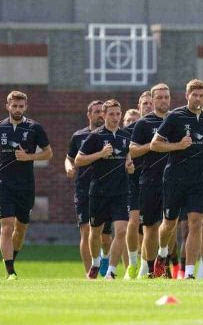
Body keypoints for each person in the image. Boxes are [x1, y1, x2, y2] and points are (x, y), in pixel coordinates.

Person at [0, 91, 53, 280]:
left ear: (25, 107)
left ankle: (11, 258)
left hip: (26, 185)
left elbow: (48, 153)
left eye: (21, 106)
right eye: (14, 106)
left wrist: (29, 157)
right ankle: (10, 271)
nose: (17, 109)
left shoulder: (35, 128)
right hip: (4, 183)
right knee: (7, 226)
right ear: (8, 106)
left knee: (20, 229)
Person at [150, 79, 203, 279]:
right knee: (170, 223)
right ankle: (162, 255)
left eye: (201, 95)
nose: (198, 98)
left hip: (199, 180)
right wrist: (177, 146)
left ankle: (189, 273)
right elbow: (155, 145)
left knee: (196, 223)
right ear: (187, 96)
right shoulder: (175, 117)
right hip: (175, 179)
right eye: (194, 95)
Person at [75, 99, 135, 280]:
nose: (115, 118)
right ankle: (95, 263)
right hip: (99, 192)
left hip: (121, 192)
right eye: (111, 114)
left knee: (122, 231)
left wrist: (130, 166)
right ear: (104, 115)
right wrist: (100, 154)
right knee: (95, 233)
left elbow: (128, 160)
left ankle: (111, 271)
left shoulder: (125, 137)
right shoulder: (96, 136)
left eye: (118, 114)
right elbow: (78, 160)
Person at [65, 100, 114, 276]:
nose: (100, 114)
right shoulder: (78, 136)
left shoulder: (111, 135)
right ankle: (90, 274)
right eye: (96, 112)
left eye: (102, 111)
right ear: (89, 115)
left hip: (106, 189)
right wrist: (69, 167)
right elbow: (70, 158)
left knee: (105, 236)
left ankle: (105, 257)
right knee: (86, 231)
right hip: (84, 189)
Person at [129, 84, 171, 278]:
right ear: (153, 100)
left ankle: (163, 261)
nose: (163, 101)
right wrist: (153, 146)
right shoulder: (143, 123)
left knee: (170, 223)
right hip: (149, 180)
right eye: (160, 98)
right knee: (150, 226)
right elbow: (133, 150)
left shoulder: (176, 120)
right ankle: (147, 268)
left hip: (173, 179)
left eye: (166, 97)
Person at [123, 94, 153, 279]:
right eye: (145, 103)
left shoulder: (162, 126)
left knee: (151, 227)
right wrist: (127, 163)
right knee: (133, 223)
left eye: (151, 103)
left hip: (154, 182)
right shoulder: (130, 130)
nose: (149, 106)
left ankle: (146, 265)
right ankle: (132, 264)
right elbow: (123, 151)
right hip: (133, 182)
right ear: (139, 106)